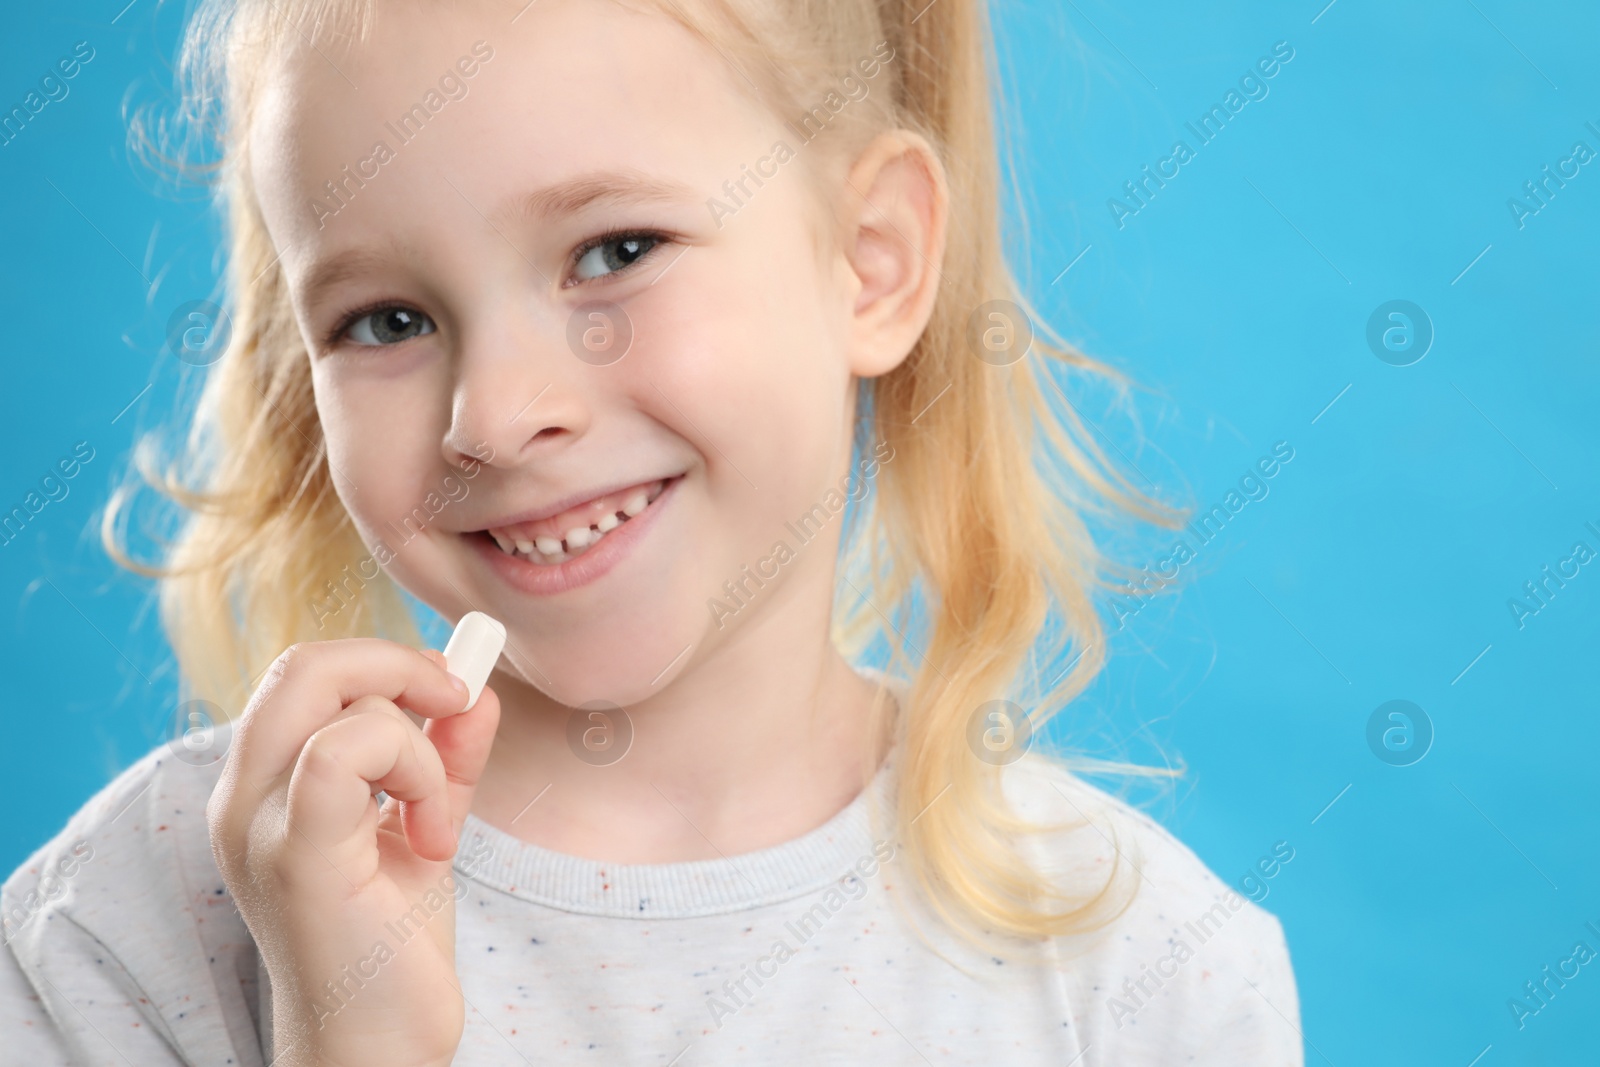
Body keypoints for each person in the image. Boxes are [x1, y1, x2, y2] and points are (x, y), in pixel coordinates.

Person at [2, 0, 1302, 1062]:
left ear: (873, 258)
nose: (497, 417)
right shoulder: (126, 931)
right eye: (387, 321)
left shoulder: (1150, 983)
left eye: (615, 250)